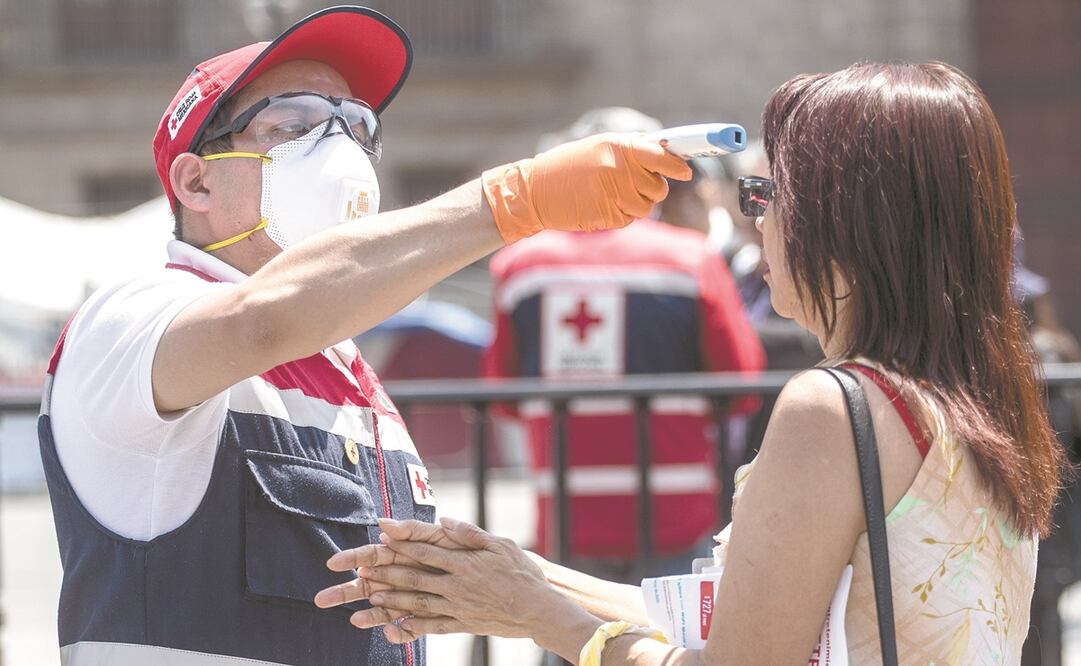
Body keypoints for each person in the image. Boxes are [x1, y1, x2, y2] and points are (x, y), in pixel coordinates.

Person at [316, 61, 1069, 664]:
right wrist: (510, 574)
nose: (756, 216)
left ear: (846, 219)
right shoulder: (976, 400)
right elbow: (749, 613)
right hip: (661, 506)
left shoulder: (833, 408)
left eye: (769, 191)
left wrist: (533, 612)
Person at [37, 6, 691, 665]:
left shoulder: (343, 365)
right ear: (196, 180)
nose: (339, 146)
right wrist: (516, 200)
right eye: (296, 122)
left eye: (355, 125)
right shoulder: (137, 314)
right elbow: (264, 320)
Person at [484, 107, 764, 583]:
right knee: (672, 648)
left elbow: (503, 393)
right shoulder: (692, 260)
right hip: (674, 511)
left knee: (572, 645)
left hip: (567, 511)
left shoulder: (519, 267)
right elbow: (741, 382)